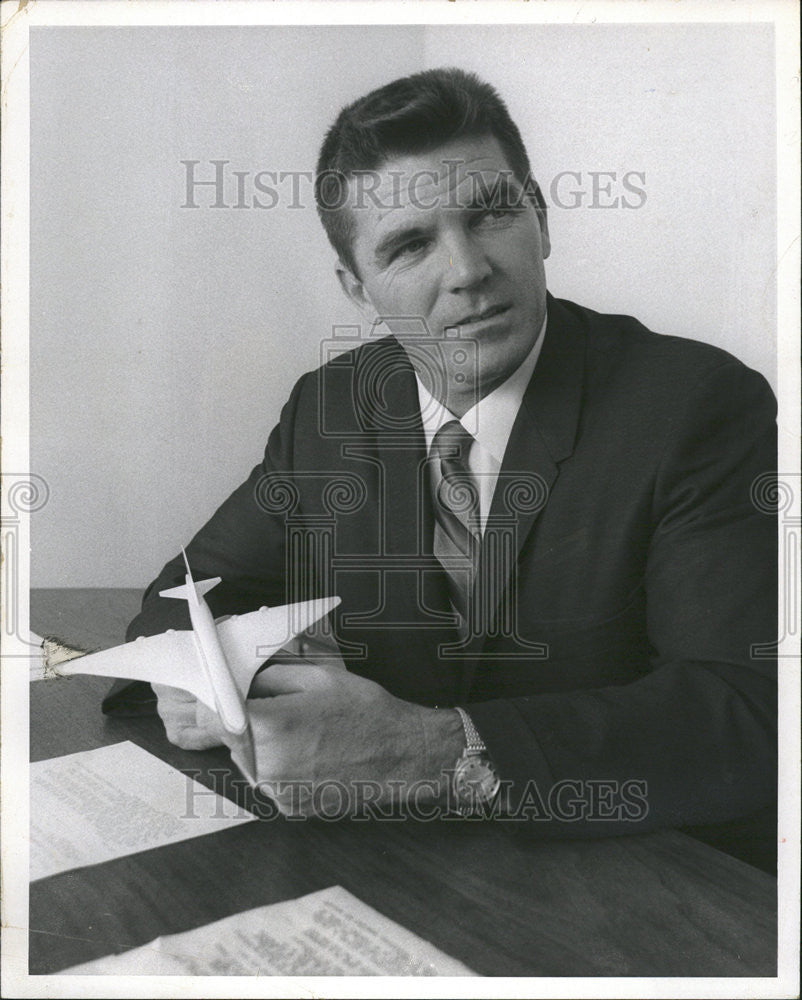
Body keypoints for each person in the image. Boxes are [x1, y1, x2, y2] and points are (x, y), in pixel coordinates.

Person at [108, 68, 776, 864]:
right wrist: (213, 681)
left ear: (542, 219)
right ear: (357, 288)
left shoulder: (695, 404)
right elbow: (188, 594)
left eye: (491, 214)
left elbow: (751, 710)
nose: (466, 271)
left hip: (647, 878)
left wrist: (431, 751)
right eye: (410, 244)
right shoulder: (333, 405)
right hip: (406, 869)